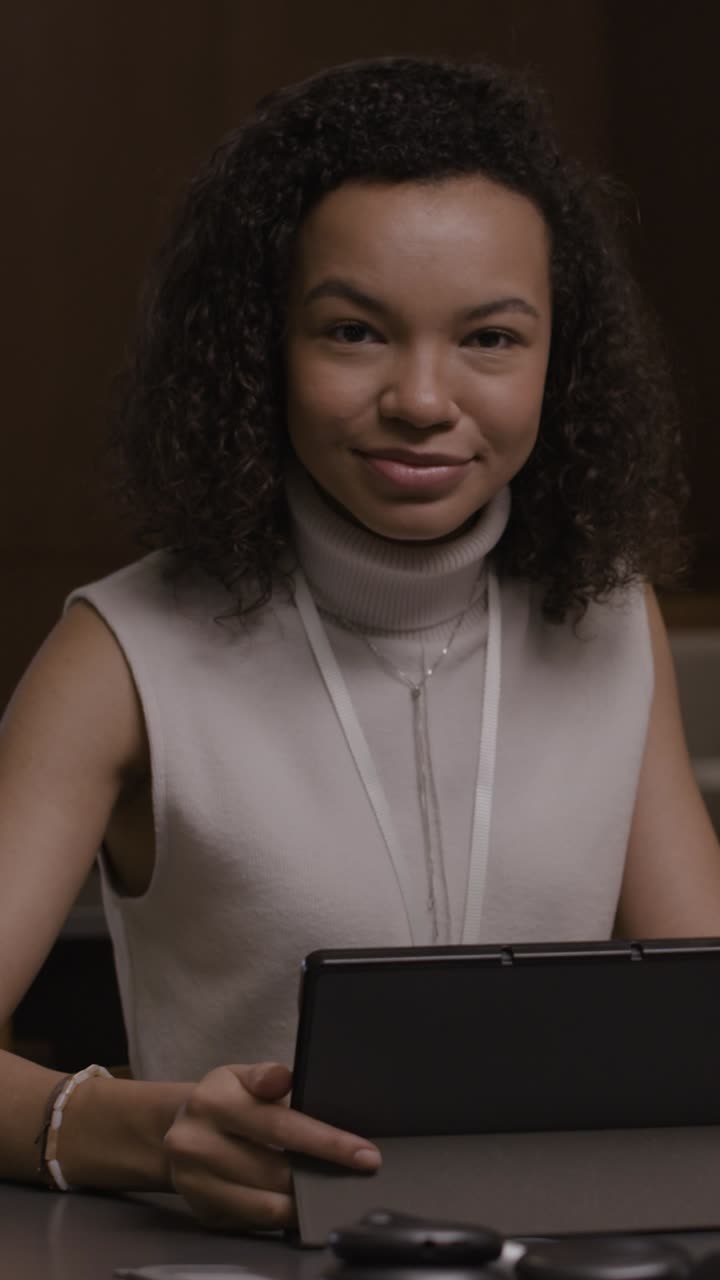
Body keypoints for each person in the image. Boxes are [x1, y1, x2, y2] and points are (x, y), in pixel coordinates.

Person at [1, 52, 719, 1233]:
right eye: (353, 331)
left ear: (560, 360)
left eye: (491, 338)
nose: (424, 397)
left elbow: (701, 1038)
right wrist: (143, 1129)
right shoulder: (115, 653)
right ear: (260, 345)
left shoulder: (612, 620)